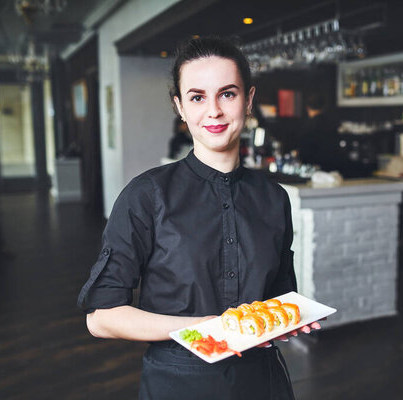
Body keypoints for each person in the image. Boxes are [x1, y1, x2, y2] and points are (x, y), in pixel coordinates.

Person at [77, 36, 320, 400]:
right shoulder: (146, 195)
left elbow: (280, 297)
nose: (214, 112)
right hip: (178, 382)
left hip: (263, 382)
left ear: (248, 100)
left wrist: (282, 321)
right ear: (180, 106)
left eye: (227, 94)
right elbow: (101, 319)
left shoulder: (274, 198)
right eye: (197, 97)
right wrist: (205, 328)